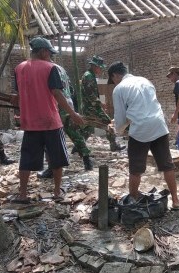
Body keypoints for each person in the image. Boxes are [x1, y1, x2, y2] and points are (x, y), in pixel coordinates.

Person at [12, 37, 84, 203]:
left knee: (26, 160)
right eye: (50, 53)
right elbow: (57, 93)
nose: (51, 57)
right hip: (51, 121)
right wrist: (73, 114)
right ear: (44, 51)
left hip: (30, 123)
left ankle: (23, 195)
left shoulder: (19, 68)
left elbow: (17, 96)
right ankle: (57, 192)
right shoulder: (50, 68)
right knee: (56, 158)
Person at [108, 61, 179, 210]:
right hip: (159, 126)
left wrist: (116, 128)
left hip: (140, 130)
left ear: (115, 75)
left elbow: (120, 119)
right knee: (167, 166)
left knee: (135, 169)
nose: (114, 82)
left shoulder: (119, 89)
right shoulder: (145, 81)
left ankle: (133, 200)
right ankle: (176, 201)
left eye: (113, 80)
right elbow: (146, 106)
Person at [37, 63, 93, 179]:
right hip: (68, 104)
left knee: (51, 138)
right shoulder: (61, 68)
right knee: (75, 134)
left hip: (56, 106)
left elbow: (51, 91)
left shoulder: (46, 68)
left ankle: (51, 169)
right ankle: (87, 161)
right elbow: (71, 89)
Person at [79, 55, 125, 152]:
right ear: (96, 67)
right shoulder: (89, 76)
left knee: (88, 127)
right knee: (109, 123)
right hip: (92, 108)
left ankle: (78, 146)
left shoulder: (89, 75)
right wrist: (101, 103)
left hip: (89, 107)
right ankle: (114, 145)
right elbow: (90, 94)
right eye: (101, 68)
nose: (101, 70)